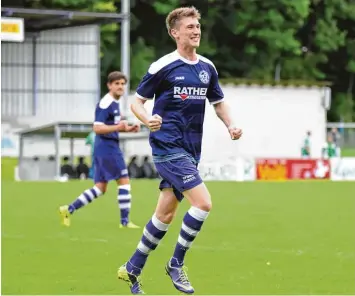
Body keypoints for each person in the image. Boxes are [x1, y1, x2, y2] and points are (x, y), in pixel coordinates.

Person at [117, 6, 242, 294]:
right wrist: (147, 119)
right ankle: (176, 263)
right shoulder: (163, 66)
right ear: (175, 33)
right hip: (167, 148)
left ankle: (132, 268)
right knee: (203, 203)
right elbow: (137, 102)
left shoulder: (206, 68)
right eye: (190, 27)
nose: (196, 31)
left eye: (198, 26)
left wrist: (230, 125)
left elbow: (218, 102)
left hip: (190, 150)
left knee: (165, 214)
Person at [59, 71, 140, 229]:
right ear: (109, 85)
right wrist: (118, 127)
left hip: (104, 147)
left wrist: (127, 129)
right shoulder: (106, 103)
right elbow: (97, 128)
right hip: (108, 148)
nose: (120, 87)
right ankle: (124, 222)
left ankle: (68, 209)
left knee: (100, 188)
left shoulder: (114, 103)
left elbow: (109, 127)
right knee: (124, 181)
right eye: (117, 83)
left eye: (123, 84)